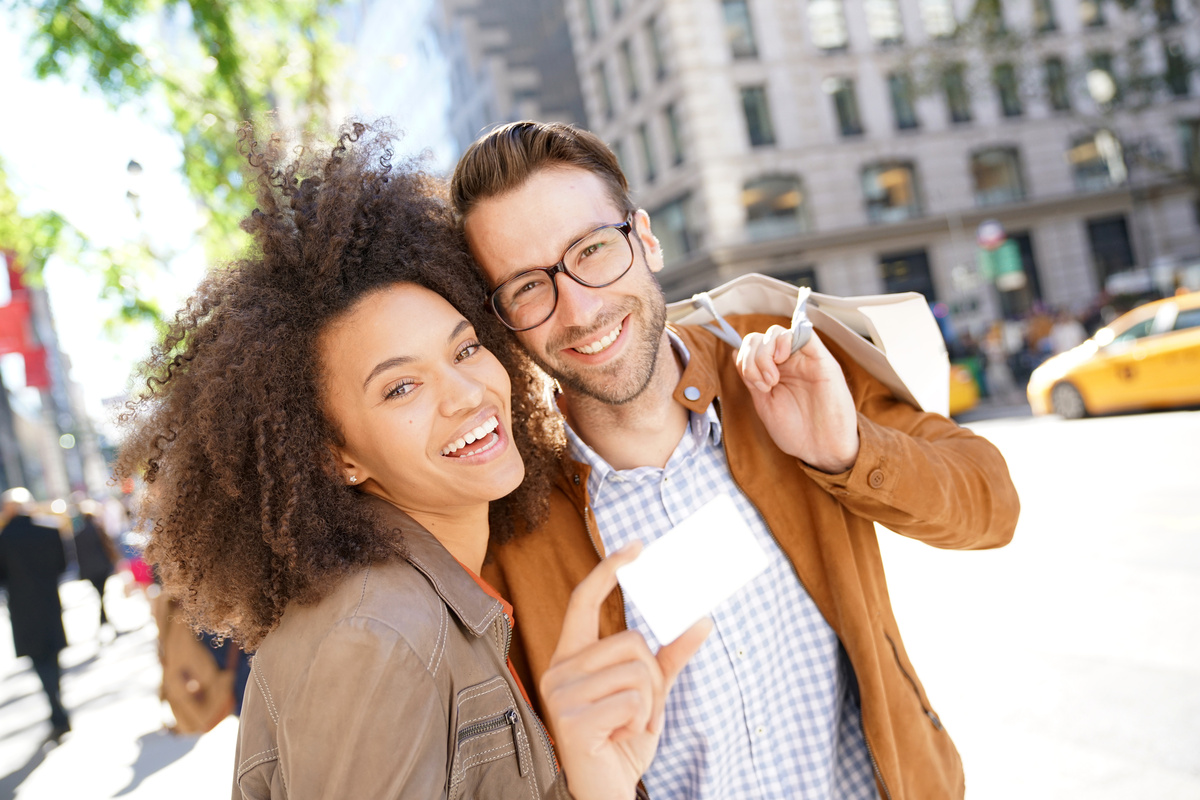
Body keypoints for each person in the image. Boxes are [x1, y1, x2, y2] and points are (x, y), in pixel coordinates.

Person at [115, 121, 708, 799]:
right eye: (402, 387)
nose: (465, 395)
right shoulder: (374, 638)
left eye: (463, 350)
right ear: (335, 456)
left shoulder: (449, 593)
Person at [451, 121, 1022, 800]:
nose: (579, 307)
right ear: (502, 322)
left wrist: (848, 451)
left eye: (592, 249)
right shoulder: (507, 513)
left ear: (647, 238)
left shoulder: (787, 362)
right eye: (527, 287)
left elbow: (993, 507)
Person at [0, 487, 72, 743]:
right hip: (49, 604)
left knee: (40, 661)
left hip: (22, 611)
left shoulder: (4, 537)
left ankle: (56, 708)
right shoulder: (50, 530)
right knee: (52, 657)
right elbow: (63, 565)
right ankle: (57, 706)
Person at [73, 500, 119, 631]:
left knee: (100, 592)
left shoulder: (78, 533)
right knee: (102, 592)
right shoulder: (98, 529)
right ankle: (103, 615)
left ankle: (103, 616)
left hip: (90, 569)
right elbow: (108, 546)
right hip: (101, 566)